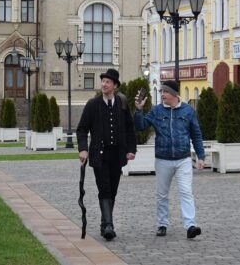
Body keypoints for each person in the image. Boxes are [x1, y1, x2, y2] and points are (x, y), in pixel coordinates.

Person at [133, 80, 205, 239]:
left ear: (173, 93)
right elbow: (141, 126)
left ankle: (190, 225)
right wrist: (138, 110)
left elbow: (196, 134)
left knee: (186, 192)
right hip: (163, 159)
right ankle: (162, 224)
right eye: (161, 92)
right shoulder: (156, 111)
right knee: (162, 195)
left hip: (183, 159)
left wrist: (201, 156)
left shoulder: (188, 111)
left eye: (164, 92)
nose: (162, 95)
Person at [77, 68, 136, 241]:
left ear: (115, 85)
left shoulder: (122, 103)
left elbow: (130, 128)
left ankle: (104, 224)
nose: (104, 84)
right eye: (103, 81)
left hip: (117, 155)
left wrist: (131, 149)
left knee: (113, 190)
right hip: (99, 155)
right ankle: (109, 225)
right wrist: (83, 149)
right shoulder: (93, 105)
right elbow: (82, 129)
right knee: (104, 188)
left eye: (108, 82)